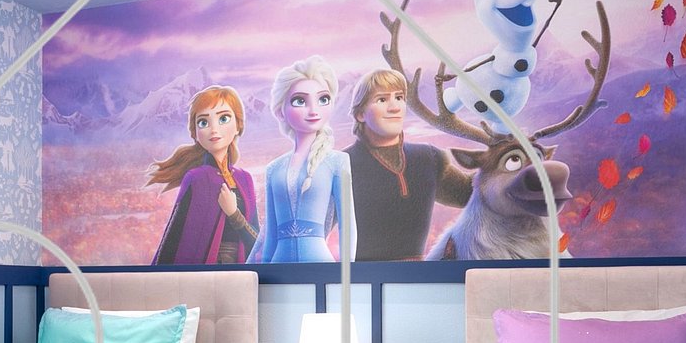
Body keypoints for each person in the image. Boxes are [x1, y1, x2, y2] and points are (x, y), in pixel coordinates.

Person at [342, 68, 473, 260]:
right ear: (360, 113)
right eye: (382, 99)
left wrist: (503, 157)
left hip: (416, 275)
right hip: (363, 276)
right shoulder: (342, 164)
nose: (394, 107)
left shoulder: (428, 158)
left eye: (399, 97)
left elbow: (469, 194)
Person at [250, 57, 355, 263]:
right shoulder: (273, 169)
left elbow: (347, 226)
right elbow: (271, 234)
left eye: (323, 99)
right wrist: (263, 274)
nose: (313, 110)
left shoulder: (337, 161)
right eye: (300, 101)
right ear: (280, 111)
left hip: (320, 266)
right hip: (278, 268)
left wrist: (347, 274)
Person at [148, 85, 260, 265]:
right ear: (195, 133)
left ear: (238, 125)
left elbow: (256, 242)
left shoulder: (244, 179)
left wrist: (234, 214)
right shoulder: (197, 178)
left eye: (223, 118)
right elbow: (175, 238)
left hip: (241, 269)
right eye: (203, 122)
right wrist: (159, 275)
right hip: (208, 271)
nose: (214, 129)